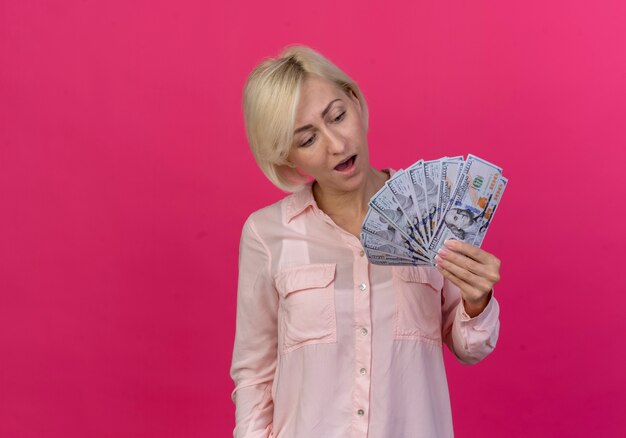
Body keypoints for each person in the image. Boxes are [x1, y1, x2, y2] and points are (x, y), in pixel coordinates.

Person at [230, 46, 502, 438]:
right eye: (307, 139)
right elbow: (253, 376)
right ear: (289, 158)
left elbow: (471, 347)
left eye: (337, 116)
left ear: (355, 102)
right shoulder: (267, 234)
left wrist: (478, 302)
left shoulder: (436, 213)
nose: (336, 144)